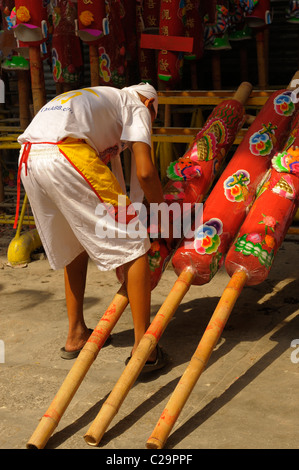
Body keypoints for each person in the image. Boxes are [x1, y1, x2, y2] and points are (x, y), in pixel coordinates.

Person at [16, 82, 169, 371]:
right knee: (135, 242)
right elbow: (146, 172)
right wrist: (164, 215)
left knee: (75, 243)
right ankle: (144, 347)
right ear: (150, 107)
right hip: (66, 154)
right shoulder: (138, 105)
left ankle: (76, 334)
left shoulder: (102, 98)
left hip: (29, 158)